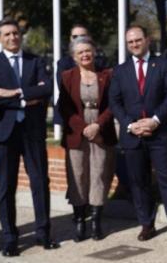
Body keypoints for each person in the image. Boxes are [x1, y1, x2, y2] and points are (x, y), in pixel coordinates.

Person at [0, 18, 60, 256]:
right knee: (6, 186)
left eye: (15, 33)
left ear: (20, 35)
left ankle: (43, 234)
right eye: (6, 34)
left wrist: (15, 93)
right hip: (2, 133)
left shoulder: (35, 60)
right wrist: (28, 98)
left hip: (32, 131)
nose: (12, 37)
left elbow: (46, 89)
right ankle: (10, 239)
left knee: (40, 182)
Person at [108, 25, 167, 243]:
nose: (134, 44)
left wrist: (154, 121)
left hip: (161, 132)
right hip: (132, 135)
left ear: (147, 40)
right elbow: (114, 101)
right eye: (130, 41)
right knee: (138, 181)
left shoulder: (164, 64)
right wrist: (129, 124)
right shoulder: (120, 70)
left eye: (138, 40)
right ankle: (146, 224)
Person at [58, 36, 117, 242]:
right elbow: (63, 107)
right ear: (74, 57)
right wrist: (84, 128)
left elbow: (113, 104)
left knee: (99, 173)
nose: (85, 54)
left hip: (100, 130)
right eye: (80, 52)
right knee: (78, 175)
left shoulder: (107, 75)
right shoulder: (67, 76)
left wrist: (97, 125)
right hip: (77, 132)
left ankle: (96, 222)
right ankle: (79, 221)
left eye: (88, 50)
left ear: (94, 51)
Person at [55, 24, 108, 126]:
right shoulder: (63, 64)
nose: (79, 39)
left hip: (99, 118)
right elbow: (65, 90)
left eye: (83, 36)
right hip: (73, 115)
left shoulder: (102, 64)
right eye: (75, 36)